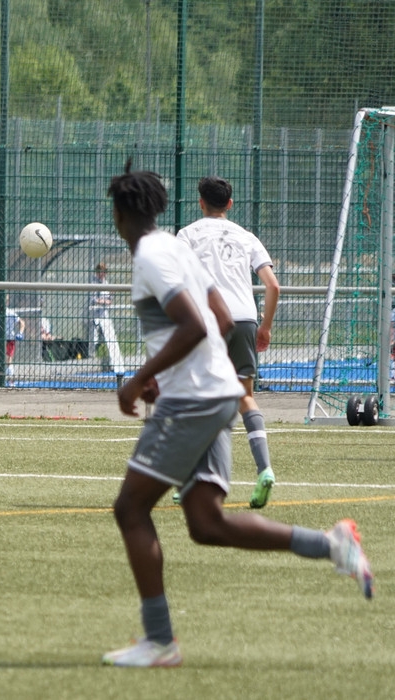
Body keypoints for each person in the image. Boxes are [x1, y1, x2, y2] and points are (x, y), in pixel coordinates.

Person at [101, 162, 373, 669]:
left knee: (130, 510)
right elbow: (222, 318)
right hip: (219, 391)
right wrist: (175, 367)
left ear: (119, 214)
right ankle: (331, 545)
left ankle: (159, 642)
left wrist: (140, 378)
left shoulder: (152, 256)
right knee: (205, 522)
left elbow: (192, 326)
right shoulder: (176, 248)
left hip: (192, 401)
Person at [176, 176, 281, 508]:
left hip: (209, 320)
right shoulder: (247, 237)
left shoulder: (187, 235)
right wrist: (264, 327)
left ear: (200, 203)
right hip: (246, 319)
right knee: (245, 397)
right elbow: (273, 286)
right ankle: (264, 469)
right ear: (230, 204)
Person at [85, 262, 126, 384]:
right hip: (93, 316)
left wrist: (105, 300)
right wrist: (103, 301)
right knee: (94, 341)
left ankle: (118, 367)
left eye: (104, 271)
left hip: (104, 316)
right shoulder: (92, 283)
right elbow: (93, 300)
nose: (102, 274)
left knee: (111, 340)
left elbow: (109, 300)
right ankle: (89, 359)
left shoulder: (106, 283)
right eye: (101, 271)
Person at [0, 297, 25, 378]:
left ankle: (11, 381)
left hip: (9, 339)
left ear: (7, 302)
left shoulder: (11, 313)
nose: (0, 302)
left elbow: (22, 322)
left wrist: (20, 333)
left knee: (8, 359)